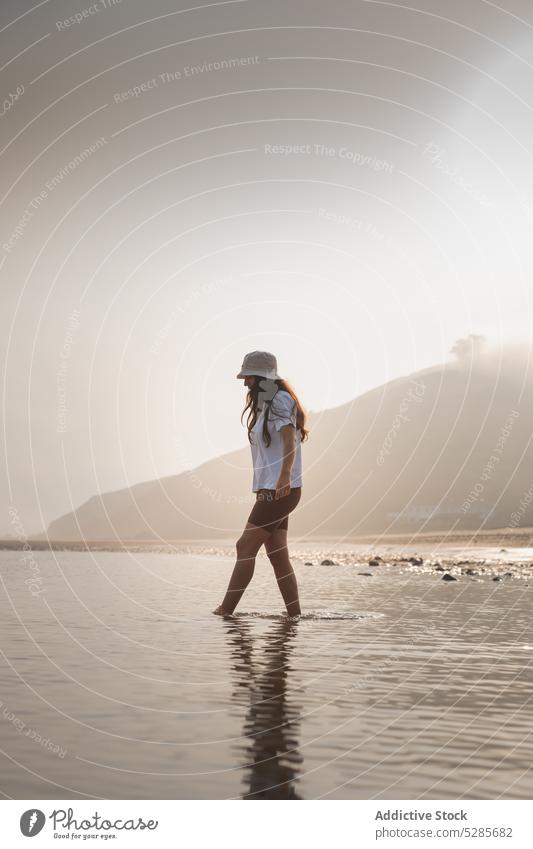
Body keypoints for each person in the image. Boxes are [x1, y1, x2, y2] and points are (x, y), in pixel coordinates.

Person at [213, 350, 309, 618]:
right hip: (274, 488)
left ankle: (225, 611)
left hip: (279, 488)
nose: (245, 383)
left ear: (261, 377)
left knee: (244, 546)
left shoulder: (279, 400)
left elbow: (289, 440)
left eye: (249, 378)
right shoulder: (267, 403)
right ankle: (294, 617)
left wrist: (284, 477)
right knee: (277, 556)